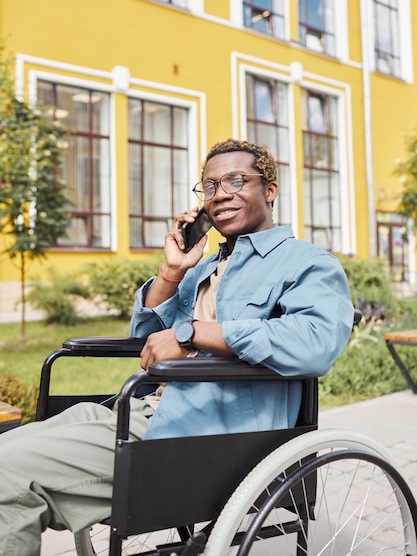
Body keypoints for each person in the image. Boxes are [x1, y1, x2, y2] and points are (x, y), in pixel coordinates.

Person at [0, 139, 354, 555]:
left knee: (8, 475)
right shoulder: (202, 267)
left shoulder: (306, 262)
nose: (220, 193)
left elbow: (314, 342)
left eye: (236, 181)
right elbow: (143, 341)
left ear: (270, 190)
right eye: (208, 186)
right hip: (145, 412)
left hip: (208, 435)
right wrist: (171, 271)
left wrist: (191, 333)